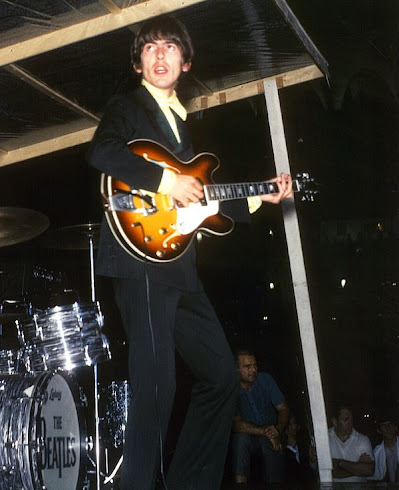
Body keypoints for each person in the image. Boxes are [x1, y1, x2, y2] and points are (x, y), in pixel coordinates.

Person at [87, 15, 294, 489]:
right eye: (150, 48)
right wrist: (167, 180)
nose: (160, 55)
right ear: (138, 63)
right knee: (157, 386)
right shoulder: (128, 106)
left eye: (170, 47)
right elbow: (102, 153)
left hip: (179, 267)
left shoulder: (183, 123)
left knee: (222, 376)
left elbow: (195, 205)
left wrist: (259, 197)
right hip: (140, 260)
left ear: (186, 62)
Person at [231, 350, 290, 484]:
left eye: (255, 365)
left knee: (271, 447)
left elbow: (283, 409)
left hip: (273, 435)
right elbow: (237, 425)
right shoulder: (231, 389)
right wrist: (265, 432)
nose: (253, 370)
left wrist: (277, 429)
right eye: (247, 366)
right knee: (240, 439)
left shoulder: (266, 380)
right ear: (236, 370)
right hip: (251, 437)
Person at [328, 405, 374, 482]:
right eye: (345, 420)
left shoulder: (362, 440)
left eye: (351, 420)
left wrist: (339, 463)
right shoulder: (325, 438)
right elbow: (328, 472)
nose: (350, 423)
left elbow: (369, 470)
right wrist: (358, 467)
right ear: (335, 422)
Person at [370, 411, 399, 482]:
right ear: (379, 431)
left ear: (396, 427)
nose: (388, 428)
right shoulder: (375, 453)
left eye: (390, 424)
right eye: (384, 425)